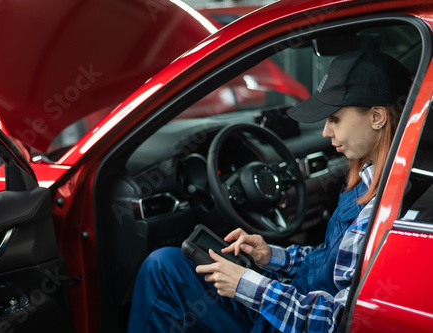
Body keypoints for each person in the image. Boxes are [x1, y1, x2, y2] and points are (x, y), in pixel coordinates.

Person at [127, 49, 412, 332]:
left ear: (377, 117)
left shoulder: (378, 209)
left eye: (334, 119)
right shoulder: (368, 180)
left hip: (288, 320)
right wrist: (270, 255)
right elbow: (328, 260)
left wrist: (248, 285)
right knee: (166, 263)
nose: (326, 132)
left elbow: (338, 322)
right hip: (287, 302)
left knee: (163, 273)